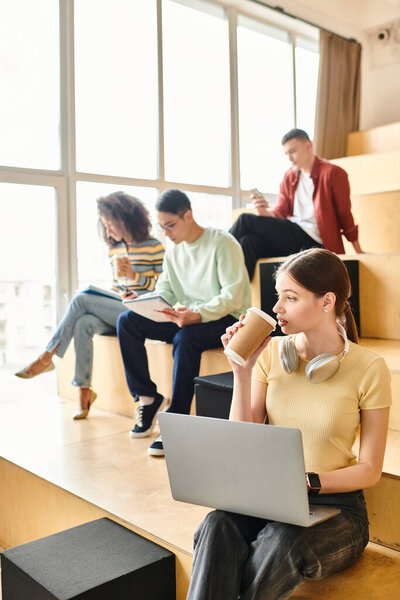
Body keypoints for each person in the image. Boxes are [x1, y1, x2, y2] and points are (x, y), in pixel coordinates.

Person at [187, 248, 391, 600]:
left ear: (327, 301)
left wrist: (307, 482)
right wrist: (242, 372)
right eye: (277, 296)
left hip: (338, 509)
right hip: (272, 499)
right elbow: (242, 437)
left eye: (290, 298)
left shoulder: (369, 368)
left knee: (285, 536)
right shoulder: (269, 355)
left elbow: (370, 470)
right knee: (216, 524)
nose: (276, 308)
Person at [117, 189, 251, 456]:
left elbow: (233, 296)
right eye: (161, 226)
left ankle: (176, 420)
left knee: (185, 338)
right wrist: (142, 301)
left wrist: (198, 314)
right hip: (189, 316)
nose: (166, 232)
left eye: (170, 225)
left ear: (188, 215)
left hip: (228, 318)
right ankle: (147, 397)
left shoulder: (223, 243)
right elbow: (165, 293)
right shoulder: (173, 252)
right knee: (127, 321)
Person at [15, 191, 164, 420]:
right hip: (120, 308)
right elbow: (118, 287)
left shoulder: (154, 246)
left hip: (141, 312)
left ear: (125, 219)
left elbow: (162, 288)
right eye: (104, 226)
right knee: (84, 322)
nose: (108, 231)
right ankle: (83, 393)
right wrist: (121, 288)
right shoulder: (115, 249)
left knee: (82, 299)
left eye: (110, 224)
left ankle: (47, 356)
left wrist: (135, 276)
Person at [230, 129, 364, 279]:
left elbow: (344, 214)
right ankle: (238, 297)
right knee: (248, 242)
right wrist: (265, 213)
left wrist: (358, 250)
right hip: (293, 237)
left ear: (308, 145)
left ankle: (214, 251)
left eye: (292, 151)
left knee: (245, 220)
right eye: (286, 154)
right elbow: (281, 211)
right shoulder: (289, 177)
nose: (289, 158)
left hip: (315, 241)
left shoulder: (334, 173)